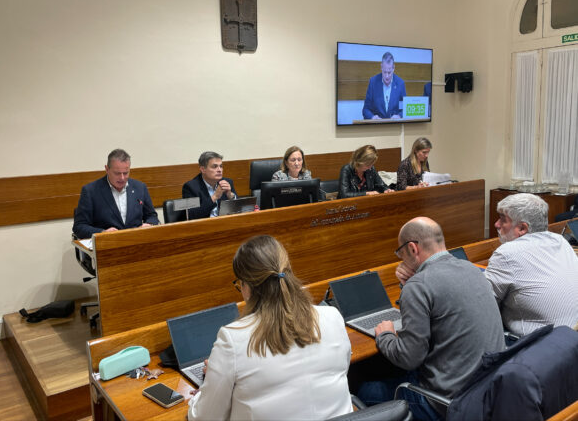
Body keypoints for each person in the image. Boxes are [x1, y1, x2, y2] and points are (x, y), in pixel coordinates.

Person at [187, 235, 352, 420]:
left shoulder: (232, 339)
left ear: (246, 287)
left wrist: (208, 388)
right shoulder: (332, 316)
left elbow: (205, 418)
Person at [358, 217, 505, 421]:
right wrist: (411, 284)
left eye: (400, 252)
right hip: (488, 392)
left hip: (447, 404)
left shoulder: (419, 286)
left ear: (412, 248)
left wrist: (385, 335)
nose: (400, 258)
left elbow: (409, 359)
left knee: (365, 390)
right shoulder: (472, 268)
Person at [485, 193, 578, 337]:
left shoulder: (507, 253)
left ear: (522, 228)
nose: (496, 224)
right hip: (571, 339)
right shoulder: (559, 240)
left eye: (503, 219)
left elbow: (483, 303)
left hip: (536, 346)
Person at [73, 149, 159, 239]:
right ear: (107, 169)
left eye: (125, 173)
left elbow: (152, 216)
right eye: (117, 173)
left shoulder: (140, 187)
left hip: (136, 241)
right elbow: (79, 227)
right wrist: (102, 232)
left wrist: (149, 224)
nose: (122, 178)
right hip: (107, 245)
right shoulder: (90, 191)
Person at [182, 151, 236, 219]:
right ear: (203, 169)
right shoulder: (190, 187)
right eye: (214, 166)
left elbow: (239, 210)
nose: (219, 170)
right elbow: (191, 215)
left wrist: (230, 196)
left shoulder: (227, 182)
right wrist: (214, 197)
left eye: (221, 166)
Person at [362, 52, 407, 120]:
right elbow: (366, 110)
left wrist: (399, 116)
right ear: (381, 67)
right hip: (377, 127)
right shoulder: (373, 82)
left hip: (394, 127)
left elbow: (405, 109)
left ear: (393, 68)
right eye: (384, 72)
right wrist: (372, 117)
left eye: (389, 72)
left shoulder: (400, 83)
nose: (387, 76)